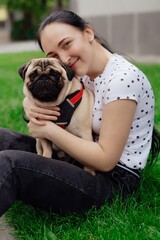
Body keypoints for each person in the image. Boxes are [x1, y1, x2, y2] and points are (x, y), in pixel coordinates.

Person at [0, 10, 160, 217]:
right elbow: (47, 95)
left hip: (109, 181)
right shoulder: (82, 74)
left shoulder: (122, 79)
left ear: (88, 32)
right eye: (54, 56)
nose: (64, 58)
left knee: (9, 165)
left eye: (66, 44)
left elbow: (105, 160)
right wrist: (29, 105)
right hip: (71, 156)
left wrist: (47, 129)